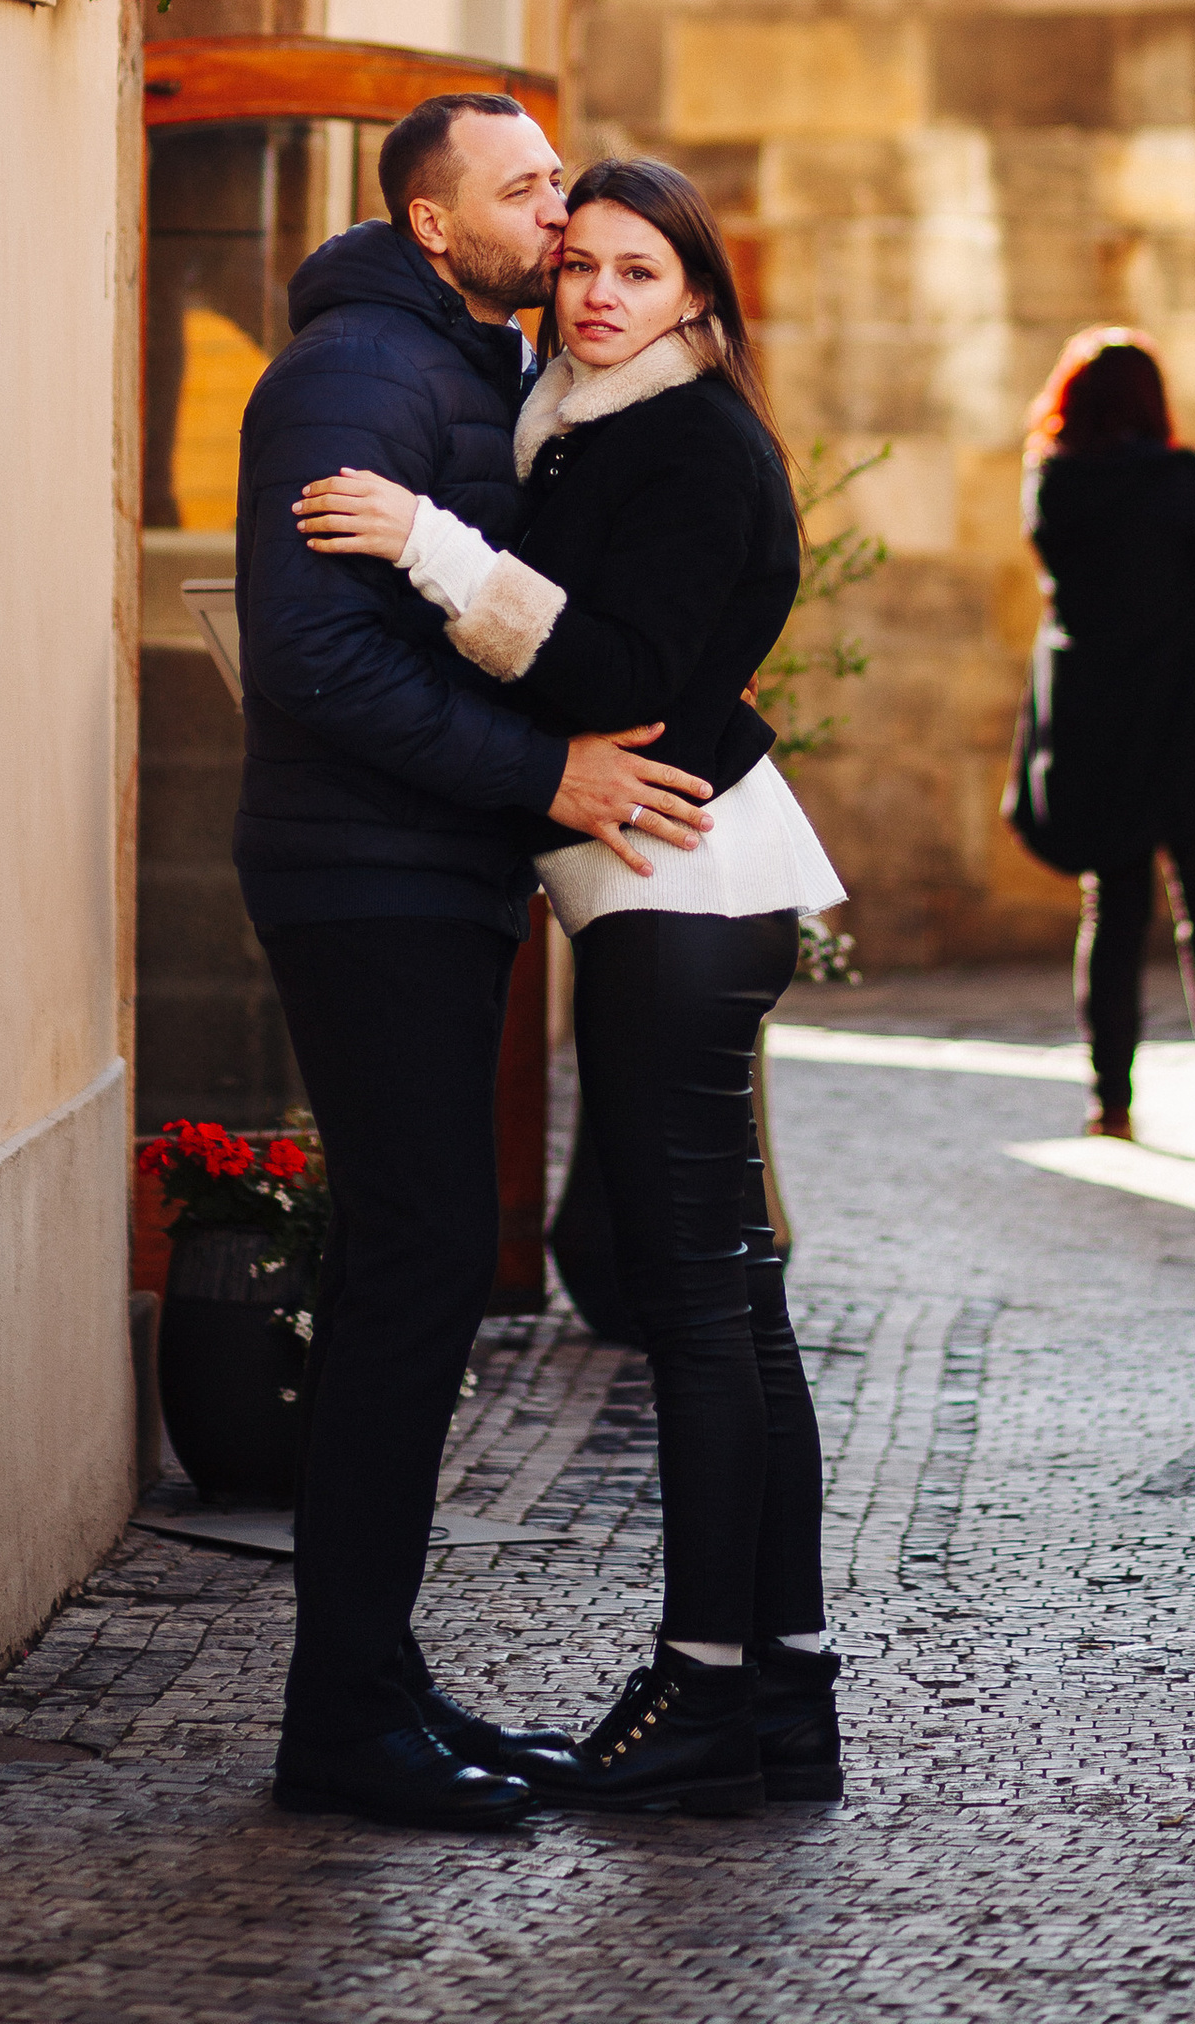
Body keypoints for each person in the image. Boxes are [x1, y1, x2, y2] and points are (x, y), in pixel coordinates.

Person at [296, 157, 845, 1817]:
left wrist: (429, 547)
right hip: (679, 883)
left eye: (641, 272)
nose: (598, 294)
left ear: (701, 303)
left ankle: (701, 1688)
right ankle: (782, 1695)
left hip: (680, 890)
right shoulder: (602, 420)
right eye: (581, 265)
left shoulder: (682, 440)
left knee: (690, 1308)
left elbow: (619, 671)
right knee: (733, 1304)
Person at [231, 90, 715, 1834]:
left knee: (420, 1273)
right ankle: (343, 1723)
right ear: (437, 226)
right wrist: (548, 775)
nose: (556, 206)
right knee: (418, 1270)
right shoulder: (360, 376)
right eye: (523, 191)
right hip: (368, 878)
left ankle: (372, 1682)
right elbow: (308, 663)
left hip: (428, 871)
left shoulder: (460, 362)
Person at [1003, 328, 1195, 1144]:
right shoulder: (1181, 483)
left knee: (1113, 911)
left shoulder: (1051, 484)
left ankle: (1110, 1099)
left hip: (1098, 734)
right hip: (1192, 728)